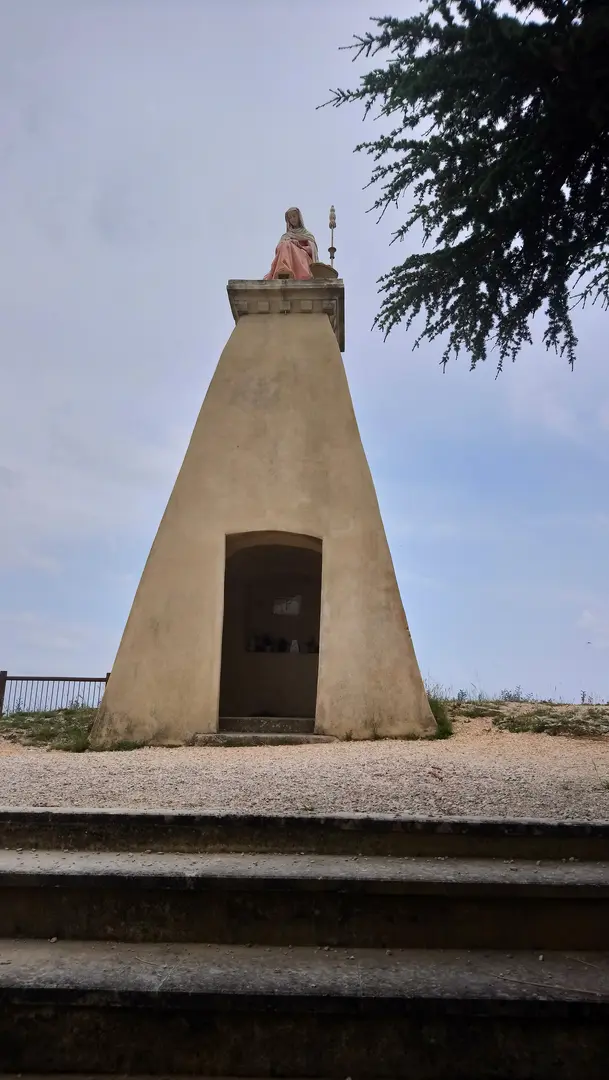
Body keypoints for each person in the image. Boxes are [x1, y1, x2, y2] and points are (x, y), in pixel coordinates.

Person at [265, 207, 319, 280]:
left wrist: (299, 245)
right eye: (290, 218)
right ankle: (284, 270)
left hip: (303, 257)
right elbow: (278, 250)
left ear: (299, 217)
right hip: (289, 255)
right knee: (285, 244)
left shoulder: (307, 234)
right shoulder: (286, 236)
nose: (292, 219)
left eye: (294, 216)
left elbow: (312, 251)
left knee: (288, 244)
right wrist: (290, 243)